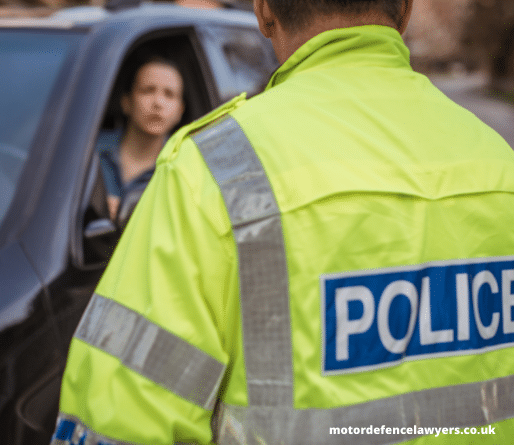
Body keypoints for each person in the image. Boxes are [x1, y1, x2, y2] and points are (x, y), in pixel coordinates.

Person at [52, 0, 514, 443]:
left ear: (264, 11)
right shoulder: (499, 166)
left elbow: (124, 422)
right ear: (407, 7)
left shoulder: (213, 172)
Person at [97, 53, 185, 221]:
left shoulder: (183, 168)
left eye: (169, 94)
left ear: (180, 111)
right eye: (148, 90)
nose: (158, 102)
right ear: (126, 102)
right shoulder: (87, 151)